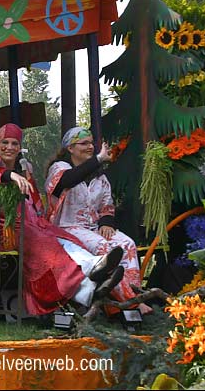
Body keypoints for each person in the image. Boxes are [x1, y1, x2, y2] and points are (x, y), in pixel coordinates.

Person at [0, 123, 125, 316]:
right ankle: (88, 280)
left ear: (19, 147)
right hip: (7, 228)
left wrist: (41, 218)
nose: (9, 147)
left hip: (34, 223)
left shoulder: (24, 167)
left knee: (67, 239)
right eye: (5, 142)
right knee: (49, 245)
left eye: (14, 143)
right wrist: (10, 175)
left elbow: (35, 198)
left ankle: (92, 268)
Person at [45, 126, 152, 315]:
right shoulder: (60, 168)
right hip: (66, 228)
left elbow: (107, 205)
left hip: (93, 228)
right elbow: (68, 181)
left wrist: (106, 223)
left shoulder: (99, 176)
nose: (90, 147)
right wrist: (98, 159)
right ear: (70, 148)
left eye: (91, 143)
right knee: (105, 248)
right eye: (83, 143)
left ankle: (130, 298)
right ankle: (131, 303)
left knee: (127, 244)